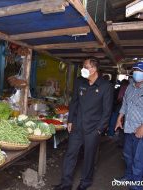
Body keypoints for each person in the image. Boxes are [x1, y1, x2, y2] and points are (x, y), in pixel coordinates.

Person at [54, 57, 113, 190]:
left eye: (85, 67)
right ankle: (66, 184)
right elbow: (74, 102)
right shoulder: (80, 82)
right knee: (70, 154)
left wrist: (99, 130)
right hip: (77, 126)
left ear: (94, 69)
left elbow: (107, 111)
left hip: (93, 129)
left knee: (89, 157)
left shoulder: (105, 86)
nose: (83, 69)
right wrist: (70, 121)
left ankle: (85, 183)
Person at [115, 61, 143, 190]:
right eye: (136, 70)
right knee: (127, 155)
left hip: (140, 130)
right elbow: (125, 104)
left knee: (139, 160)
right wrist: (119, 118)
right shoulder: (130, 86)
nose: (137, 73)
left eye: (140, 71)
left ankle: (136, 185)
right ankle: (128, 176)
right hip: (128, 128)